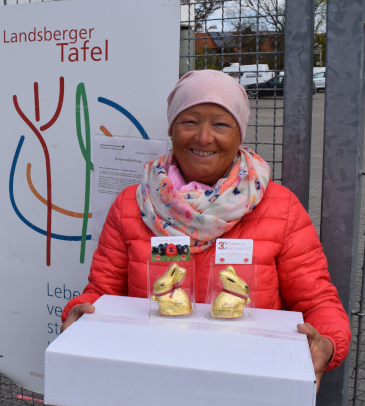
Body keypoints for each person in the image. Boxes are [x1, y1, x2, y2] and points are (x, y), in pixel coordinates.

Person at [61, 70, 351, 391]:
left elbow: (318, 302)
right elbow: (101, 292)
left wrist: (327, 342)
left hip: (245, 380)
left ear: (239, 134)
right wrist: (80, 314)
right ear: (171, 130)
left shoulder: (280, 208)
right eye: (189, 122)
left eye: (221, 124)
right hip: (153, 377)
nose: (203, 137)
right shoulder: (132, 204)